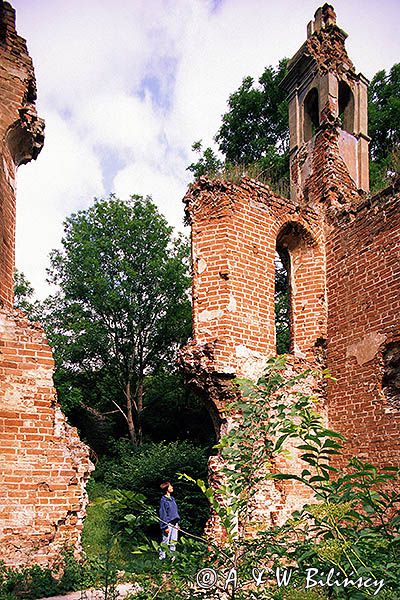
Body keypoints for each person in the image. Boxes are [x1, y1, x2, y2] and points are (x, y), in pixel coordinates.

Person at [159, 481, 180, 559]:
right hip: (168, 524)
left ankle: (172, 559)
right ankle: (162, 558)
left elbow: (175, 512)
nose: (172, 487)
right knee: (165, 541)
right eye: (170, 486)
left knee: (173, 541)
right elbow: (163, 513)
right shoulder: (163, 500)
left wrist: (177, 523)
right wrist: (165, 526)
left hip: (175, 523)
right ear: (166, 489)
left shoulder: (172, 499)